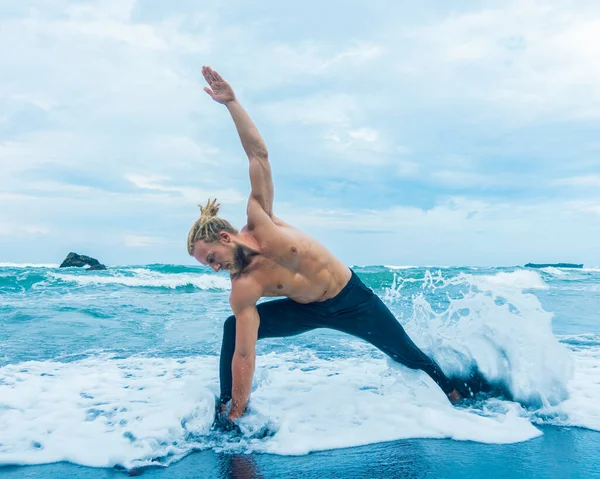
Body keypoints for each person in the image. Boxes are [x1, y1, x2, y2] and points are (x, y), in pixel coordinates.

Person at [188, 66, 462, 428]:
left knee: (406, 353)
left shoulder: (261, 219)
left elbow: (258, 156)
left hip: (351, 299)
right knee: (231, 329)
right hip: (306, 310)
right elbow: (244, 352)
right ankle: (228, 411)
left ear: (225, 238)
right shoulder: (244, 288)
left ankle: (458, 397)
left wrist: (232, 103)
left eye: (211, 258)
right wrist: (239, 407)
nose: (213, 268)